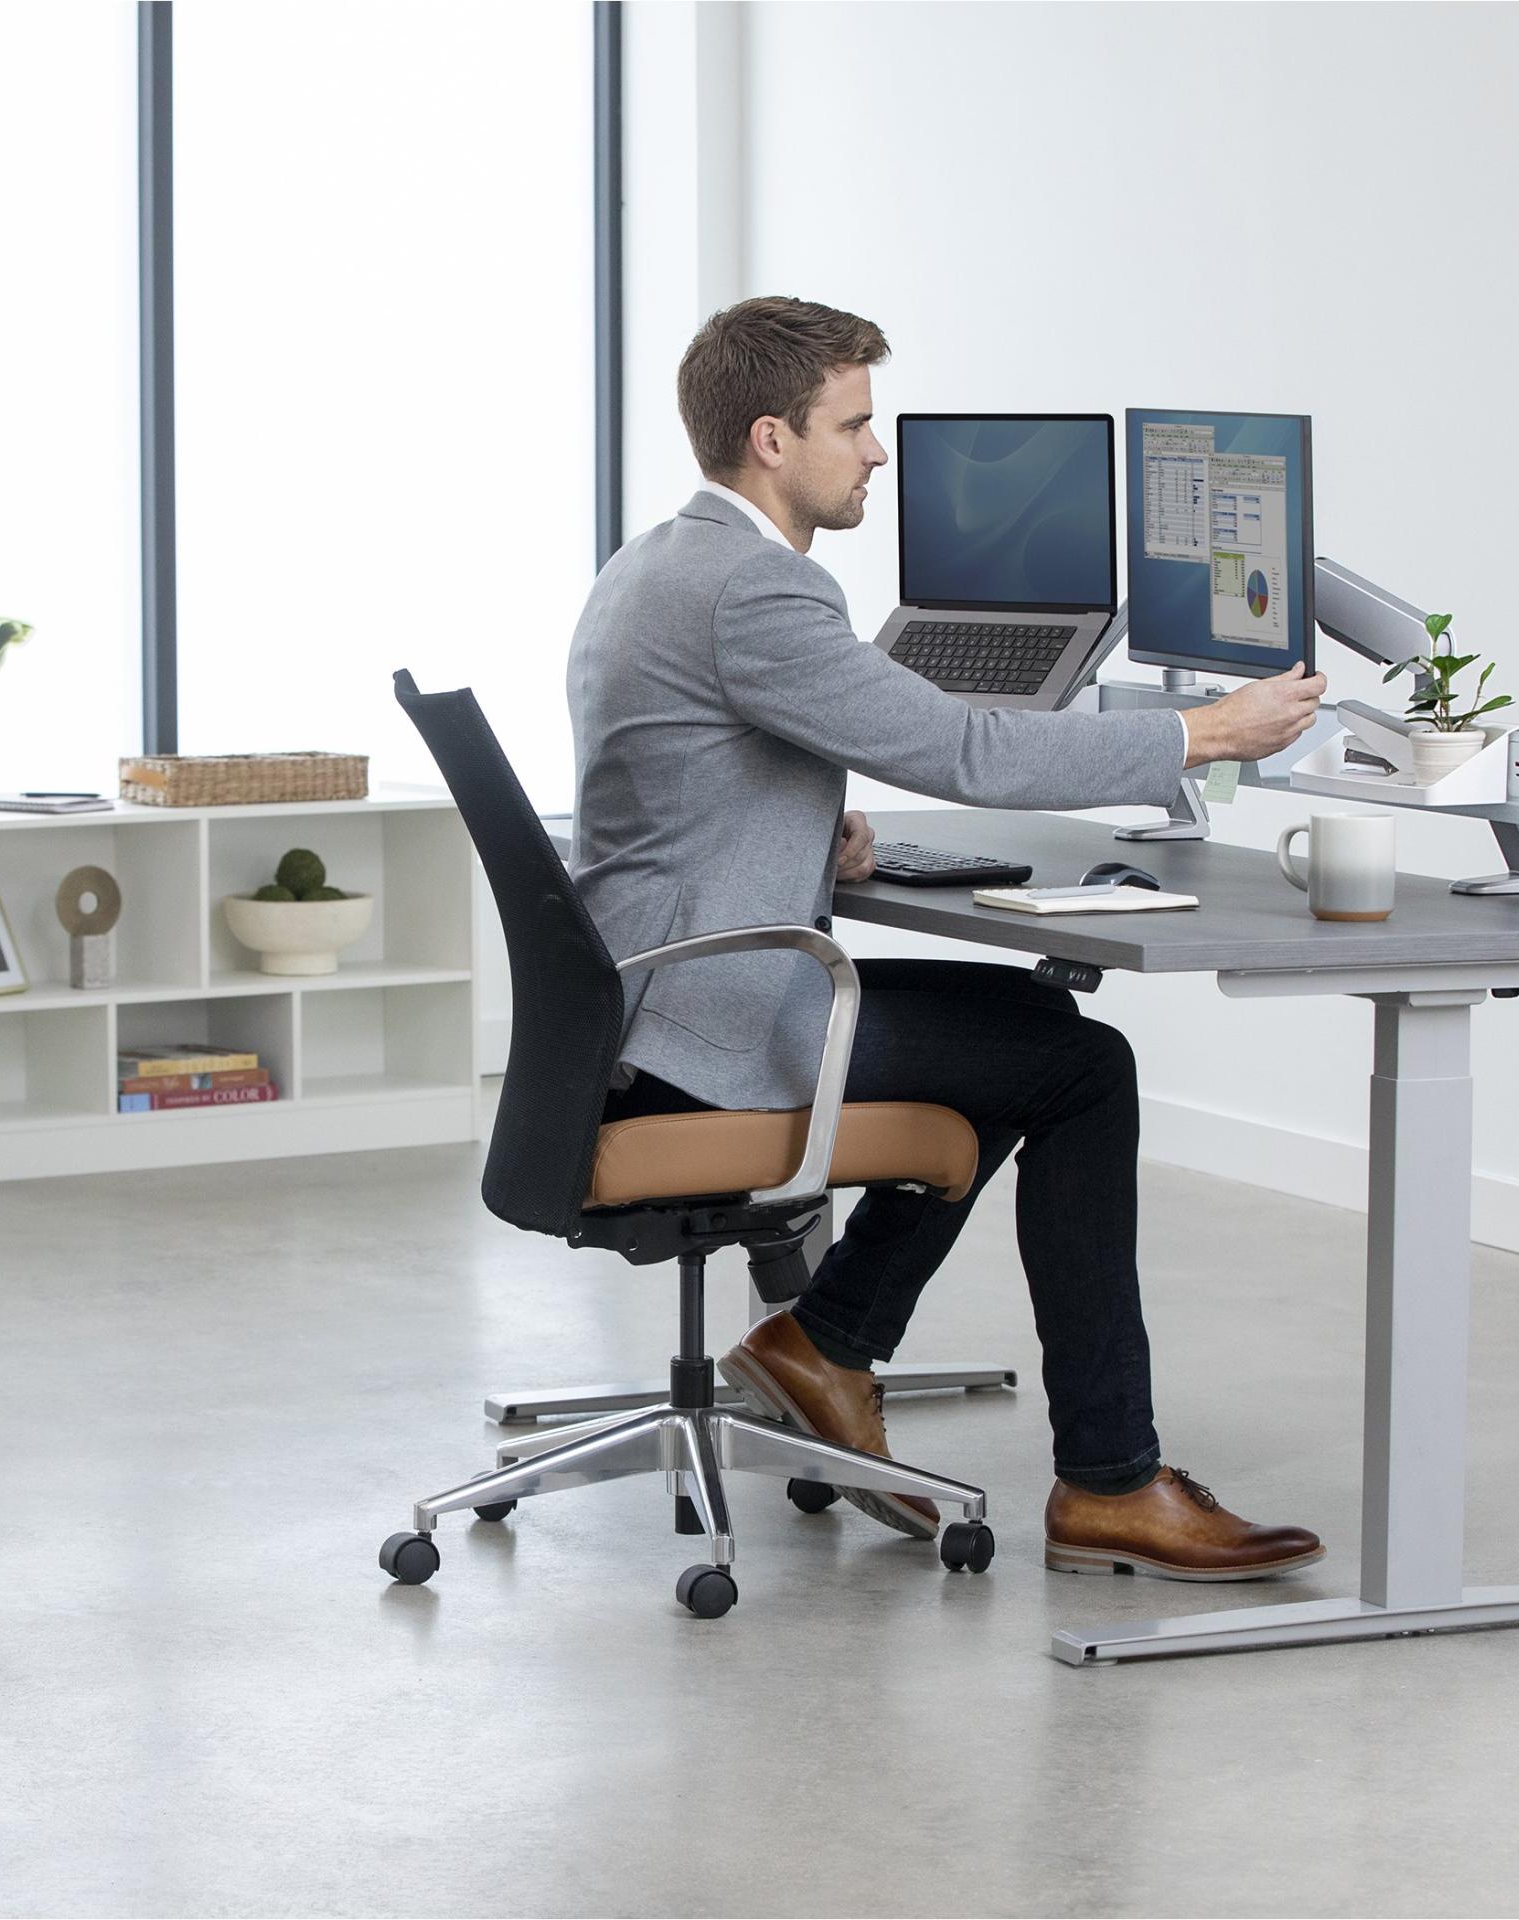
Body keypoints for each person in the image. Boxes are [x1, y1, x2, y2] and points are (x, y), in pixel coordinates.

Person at [567, 296, 1330, 1581]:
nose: (876, 454)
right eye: (855, 425)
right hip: (710, 1022)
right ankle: (1109, 1481)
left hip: (649, 995)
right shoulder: (758, 588)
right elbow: (964, 747)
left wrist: (815, 835)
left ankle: (827, 1343)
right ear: (770, 438)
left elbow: (680, 789)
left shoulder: (661, 561)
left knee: (1031, 1034)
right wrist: (1198, 735)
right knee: (1080, 1068)